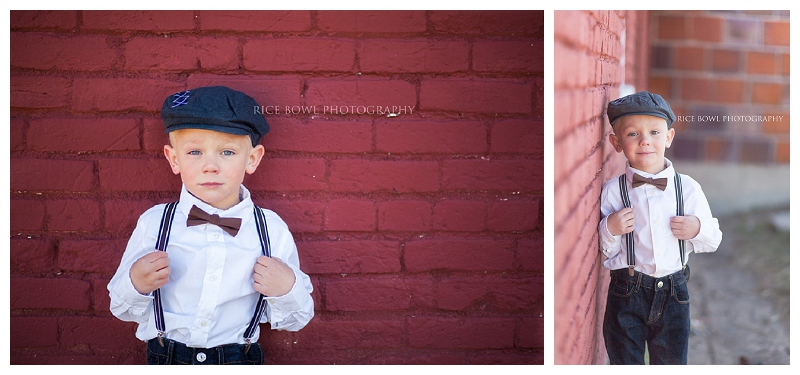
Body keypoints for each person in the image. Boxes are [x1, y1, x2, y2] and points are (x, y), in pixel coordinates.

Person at [107, 86, 314, 365]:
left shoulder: (271, 229)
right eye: (194, 152)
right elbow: (121, 308)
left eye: (227, 152)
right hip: (167, 357)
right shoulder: (155, 224)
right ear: (174, 159)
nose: (210, 166)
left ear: (252, 159)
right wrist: (137, 283)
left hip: (237, 359)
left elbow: (297, 319)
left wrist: (286, 288)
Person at [598, 91, 722, 365]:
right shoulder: (613, 192)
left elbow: (713, 240)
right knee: (624, 361)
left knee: (671, 362)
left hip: (674, 293)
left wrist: (697, 228)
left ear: (668, 137)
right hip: (626, 290)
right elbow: (605, 250)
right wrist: (610, 228)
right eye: (632, 134)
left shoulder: (687, 188)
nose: (645, 141)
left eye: (654, 132)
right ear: (616, 142)